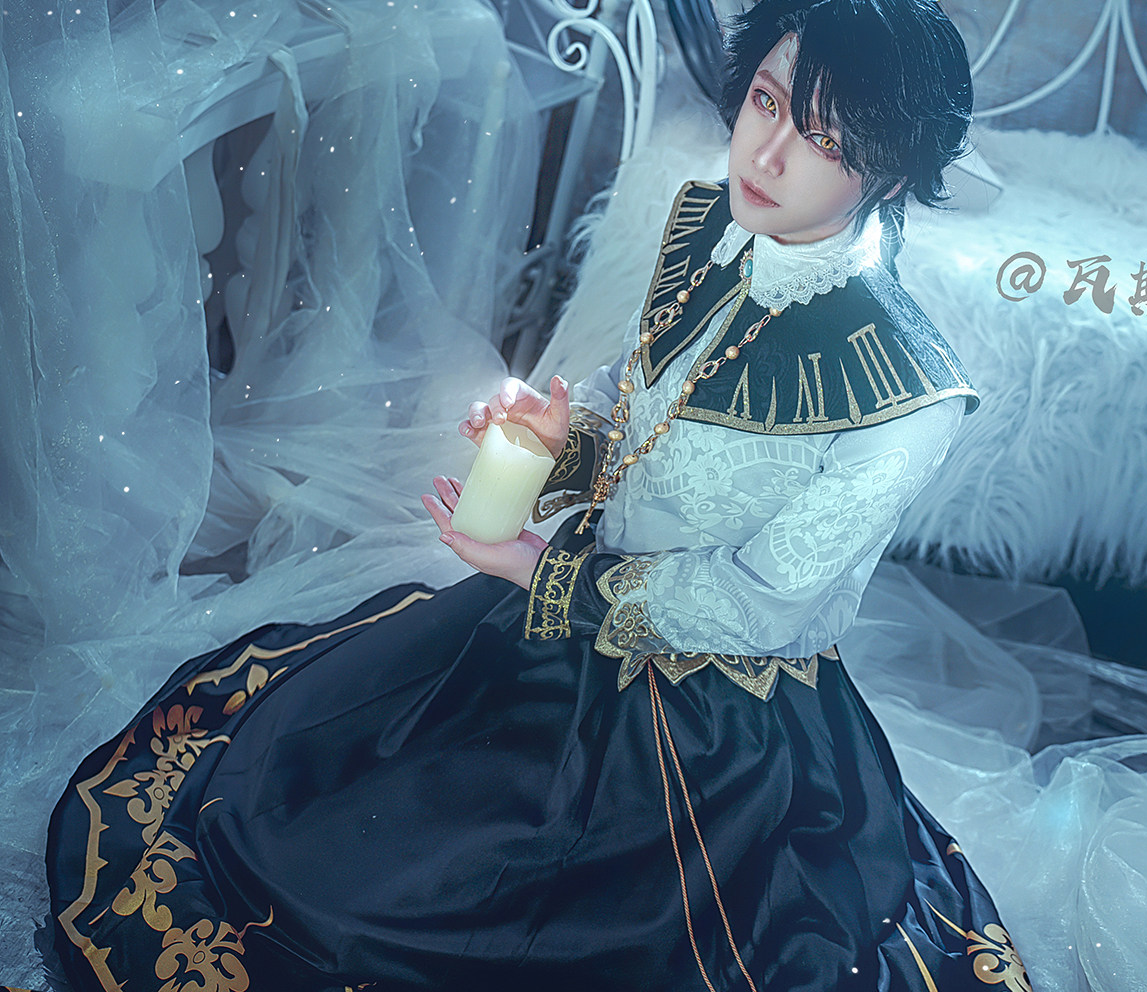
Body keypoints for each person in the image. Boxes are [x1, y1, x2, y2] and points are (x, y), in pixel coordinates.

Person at [46, 1, 1030, 989]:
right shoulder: (714, 230)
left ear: (887, 176)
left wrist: (542, 569)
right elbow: (637, 409)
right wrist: (564, 444)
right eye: (767, 102)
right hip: (567, 624)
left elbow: (758, 604)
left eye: (823, 140)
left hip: (710, 729)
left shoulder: (908, 396)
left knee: (428, 908)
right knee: (315, 790)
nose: (766, 154)